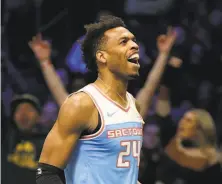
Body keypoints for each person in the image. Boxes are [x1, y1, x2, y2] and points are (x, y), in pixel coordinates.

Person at [32, 15, 176, 184]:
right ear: (102, 56)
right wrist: (44, 62)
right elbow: (46, 173)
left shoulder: (133, 104)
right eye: (124, 42)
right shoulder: (83, 104)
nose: (134, 45)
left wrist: (164, 55)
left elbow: (150, 87)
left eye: (133, 40)